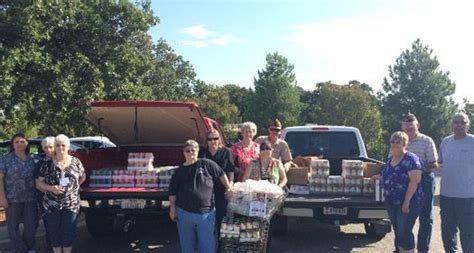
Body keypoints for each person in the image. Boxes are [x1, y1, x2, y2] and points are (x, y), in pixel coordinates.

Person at [169, 140, 233, 253]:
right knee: (187, 246)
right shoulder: (179, 172)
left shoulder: (206, 163)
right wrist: (172, 209)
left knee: (207, 245)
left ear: (198, 151)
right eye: (187, 151)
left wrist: (228, 187)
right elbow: (172, 192)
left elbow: (221, 173)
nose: (190, 153)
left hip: (206, 213)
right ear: (184, 153)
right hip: (184, 213)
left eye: (193, 150)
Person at [373, 131, 423, 253]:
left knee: (404, 231)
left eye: (398, 142)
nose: (395, 144)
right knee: (398, 231)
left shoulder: (411, 159)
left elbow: (414, 182)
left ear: (404, 143)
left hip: (408, 202)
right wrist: (375, 177)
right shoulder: (391, 159)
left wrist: (407, 202)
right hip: (392, 202)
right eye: (393, 142)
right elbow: (388, 176)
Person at [35, 134, 86, 253]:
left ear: (68, 146)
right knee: (54, 232)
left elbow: (82, 177)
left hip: (71, 203)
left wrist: (73, 188)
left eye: (63, 145)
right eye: (58, 145)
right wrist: (51, 188)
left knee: (68, 231)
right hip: (51, 204)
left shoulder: (76, 162)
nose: (61, 148)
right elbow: (38, 184)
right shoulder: (47, 164)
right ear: (55, 147)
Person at [400, 113, 438, 253]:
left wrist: (417, 169)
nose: (409, 126)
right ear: (402, 126)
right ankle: (403, 247)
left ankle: (423, 249)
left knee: (425, 218)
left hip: (424, 180)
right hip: (403, 182)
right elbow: (391, 161)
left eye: (412, 124)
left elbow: (434, 164)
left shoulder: (426, 141)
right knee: (403, 217)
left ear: (418, 125)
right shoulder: (398, 140)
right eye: (406, 124)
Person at [438, 112, 474, 253]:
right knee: (447, 232)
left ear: (468, 124)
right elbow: (439, 163)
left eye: (462, 122)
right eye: (456, 122)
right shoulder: (445, 142)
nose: (459, 125)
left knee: (468, 234)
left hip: (467, 197)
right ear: (451, 124)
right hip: (446, 196)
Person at [0, 133, 38, 253]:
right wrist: (2, 197)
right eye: (16, 142)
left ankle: (28, 246)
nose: (19, 144)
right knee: (12, 227)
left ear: (27, 143)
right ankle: (22, 249)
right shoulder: (5, 159)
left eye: (22, 141)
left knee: (31, 226)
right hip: (12, 199)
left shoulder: (32, 159)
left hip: (30, 199)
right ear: (12, 144)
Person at [198, 130, 235, 234]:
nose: (213, 141)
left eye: (215, 138)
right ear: (207, 141)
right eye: (210, 139)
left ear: (220, 139)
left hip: (222, 188)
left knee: (221, 217)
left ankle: (220, 244)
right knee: (206, 217)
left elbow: (230, 170)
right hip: (206, 189)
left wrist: (230, 185)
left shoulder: (226, 152)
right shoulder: (202, 152)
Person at [34, 137, 56, 252]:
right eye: (46, 147)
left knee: (64, 228)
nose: (48, 150)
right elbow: (38, 184)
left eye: (51, 147)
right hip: (46, 200)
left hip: (64, 200)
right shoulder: (40, 164)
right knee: (50, 227)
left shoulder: (63, 161)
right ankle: (51, 249)